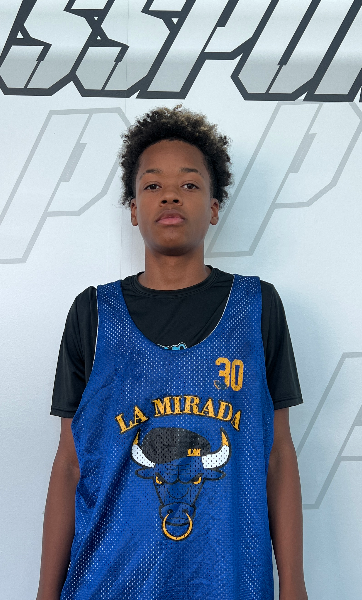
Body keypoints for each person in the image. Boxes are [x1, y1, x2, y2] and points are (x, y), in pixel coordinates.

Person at [36, 106, 308, 600]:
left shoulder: (257, 307)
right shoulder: (92, 314)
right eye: (152, 185)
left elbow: (277, 456)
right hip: (109, 581)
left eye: (189, 184)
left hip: (231, 582)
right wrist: (44, 594)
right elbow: (70, 464)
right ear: (133, 209)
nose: (170, 195)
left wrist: (294, 584)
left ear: (214, 207)